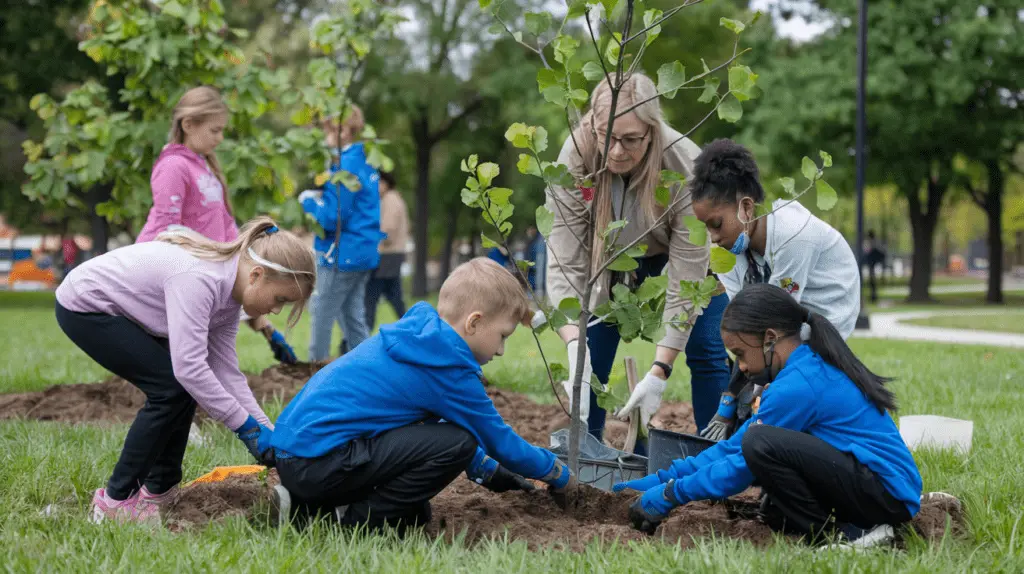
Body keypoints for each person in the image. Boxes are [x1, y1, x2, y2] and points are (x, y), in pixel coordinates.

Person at [269, 258, 575, 533]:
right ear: (475, 322)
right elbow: (499, 441)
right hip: (319, 463)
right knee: (458, 443)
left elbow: (431, 421)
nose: (501, 350)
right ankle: (356, 521)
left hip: (298, 456)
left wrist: (487, 471)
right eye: (503, 335)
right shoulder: (450, 369)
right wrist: (558, 473)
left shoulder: (422, 340)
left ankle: (304, 509)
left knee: (413, 514)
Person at [614, 284, 922, 549]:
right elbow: (734, 447)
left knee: (760, 443)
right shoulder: (801, 371)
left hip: (887, 495)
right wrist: (664, 478)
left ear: (770, 338)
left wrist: (671, 494)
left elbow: (742, 465)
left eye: (740, 354)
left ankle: (845, 535)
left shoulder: (799, 385)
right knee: (769, 485)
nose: (742, 367)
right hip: (877, 488)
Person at [55, 217, 316, 523]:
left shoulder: (230, 297)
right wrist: (245, 428)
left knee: (178, 390)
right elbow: (190, 369)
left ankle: (160, 490)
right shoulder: (200, 279)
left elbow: (227, 373)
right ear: (256, 274)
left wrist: (265, 432)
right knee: (170, 388)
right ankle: (115, 503)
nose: (276, 310)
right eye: (280, 299)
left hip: (125, 313)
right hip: (87, 304)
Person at [545, 73, 730, 447]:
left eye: (630, 140)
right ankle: (588, 451)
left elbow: (687, 281)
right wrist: (572, 346)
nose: (616, 151)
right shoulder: (575, 157)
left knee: (706, 347)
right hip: (612, 258)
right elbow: (566, 264)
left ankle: (719, 455)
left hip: (675, 258)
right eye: (607, 136)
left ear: (651, 131)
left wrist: (659, 373)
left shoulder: (684, 164)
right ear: (593, 125)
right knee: (591, 352)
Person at [690, 139, 861, 441]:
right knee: (751, 398)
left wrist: (747, 394)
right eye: (706, 227)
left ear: (746, 207)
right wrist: (730, 400)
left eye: (716, 224)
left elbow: (772, 328)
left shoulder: (793, 236)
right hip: (781, 325)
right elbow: (745, 328)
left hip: (824, 320)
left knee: (778, 401)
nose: (713, 237)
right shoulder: (731, 251)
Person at [135, 86, 298, 364]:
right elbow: (167, 228)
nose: (220, 139)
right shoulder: (174, 166)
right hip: (173, 273)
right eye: (215, 130)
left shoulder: (203, 167)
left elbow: (223, 224)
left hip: (205, 269)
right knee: (178, 362)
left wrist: (247, 246)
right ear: (188, 124)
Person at [299, 106, 381, 361]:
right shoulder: (364, 161)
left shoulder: (345, 167)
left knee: (321, 312)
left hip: (340, 254)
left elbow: (333, 218)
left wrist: (308, 202)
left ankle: (316, 371)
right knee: (352, 317)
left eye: (326, 131)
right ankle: (367, 371)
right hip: (361, 251)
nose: (324, 137)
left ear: (342, 131)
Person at [364, 170, 409, 331]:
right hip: (390, 257)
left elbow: (388, 232)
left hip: (386, 256)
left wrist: (366, 235)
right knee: (394, 299)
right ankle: (413, 330)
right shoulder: (391, 199)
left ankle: (355, 340)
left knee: (370, 299)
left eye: (376, 182)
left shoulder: (390, 200)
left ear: (385, 183)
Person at [864, 230, 886, 304]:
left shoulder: (872, 243)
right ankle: (873, 296)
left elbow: (867, 251)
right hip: (873, 264)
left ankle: (873, 296)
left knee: (872, 281)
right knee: (872, 280)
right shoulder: (875, 243)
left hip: (872, 264)